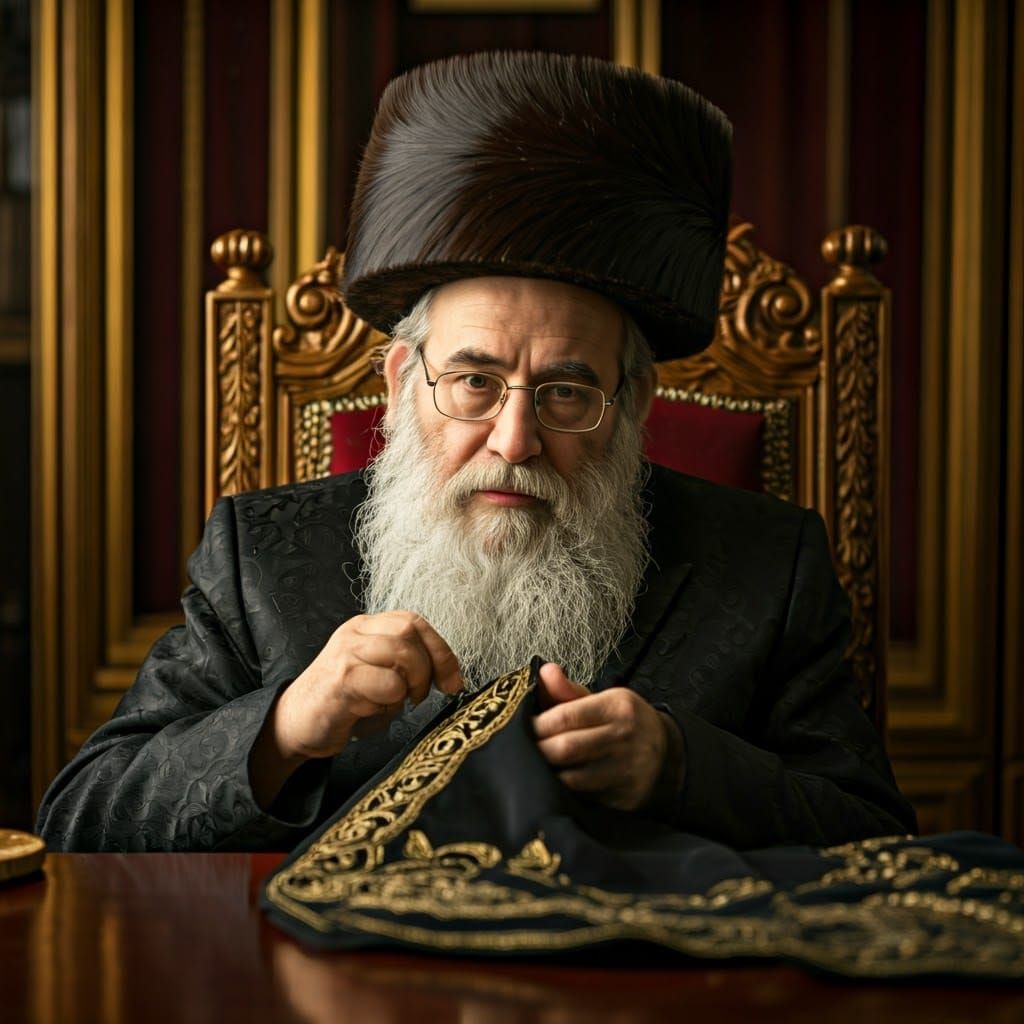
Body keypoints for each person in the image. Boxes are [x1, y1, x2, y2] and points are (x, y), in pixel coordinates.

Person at [37, 51, 916, 852]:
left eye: (567, 391)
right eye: (474, 381)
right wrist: (285, 727)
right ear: (399, 382)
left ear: (634, 402)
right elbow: (82, 818)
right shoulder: (260, 554)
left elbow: (874, 835)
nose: (514, 439)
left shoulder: (770, 563)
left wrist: (683, 767)